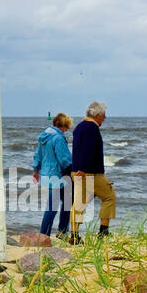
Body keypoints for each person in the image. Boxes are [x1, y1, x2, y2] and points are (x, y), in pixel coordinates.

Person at [69, 101, 116, 243]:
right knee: (109, 197)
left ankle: (74, 235)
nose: (104, 118)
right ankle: (103, 231)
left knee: (79, 203)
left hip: (81, 171)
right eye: (104, 115)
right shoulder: (92, 128)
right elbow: (87, 150)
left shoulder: (79, 127)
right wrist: (83, 168)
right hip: (89, 172)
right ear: (98, 115)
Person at [31, 112, 74, 238]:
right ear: (64, 126)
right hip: (58, 175)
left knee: (65, 202)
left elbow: (37, 155)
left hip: (47, 174)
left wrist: (36, 170)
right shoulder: (58, 138)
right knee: (55, 206)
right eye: (67, 127)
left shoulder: (44, 136)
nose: (67, 129)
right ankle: (46, 235)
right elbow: (65, 159)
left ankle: (59, 232)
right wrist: (73, 170)